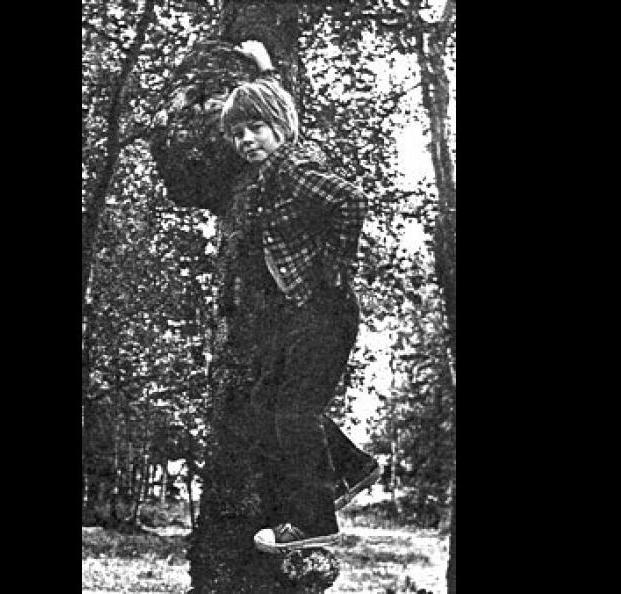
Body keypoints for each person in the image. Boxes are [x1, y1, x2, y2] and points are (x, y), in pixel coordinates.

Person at [221, 41, 380, 554]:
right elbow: (281, 108)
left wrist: (334, 270)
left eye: (255, 129)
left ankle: (315, 519)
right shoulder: (278, 165)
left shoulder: (293, 169)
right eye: (237, 134)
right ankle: (352, 468)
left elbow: (350, 201)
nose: (246, 140)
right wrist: (266, 71)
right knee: (268, 400)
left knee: (292, 411)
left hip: (325, 309)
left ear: (279, 128)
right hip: (302, 311)